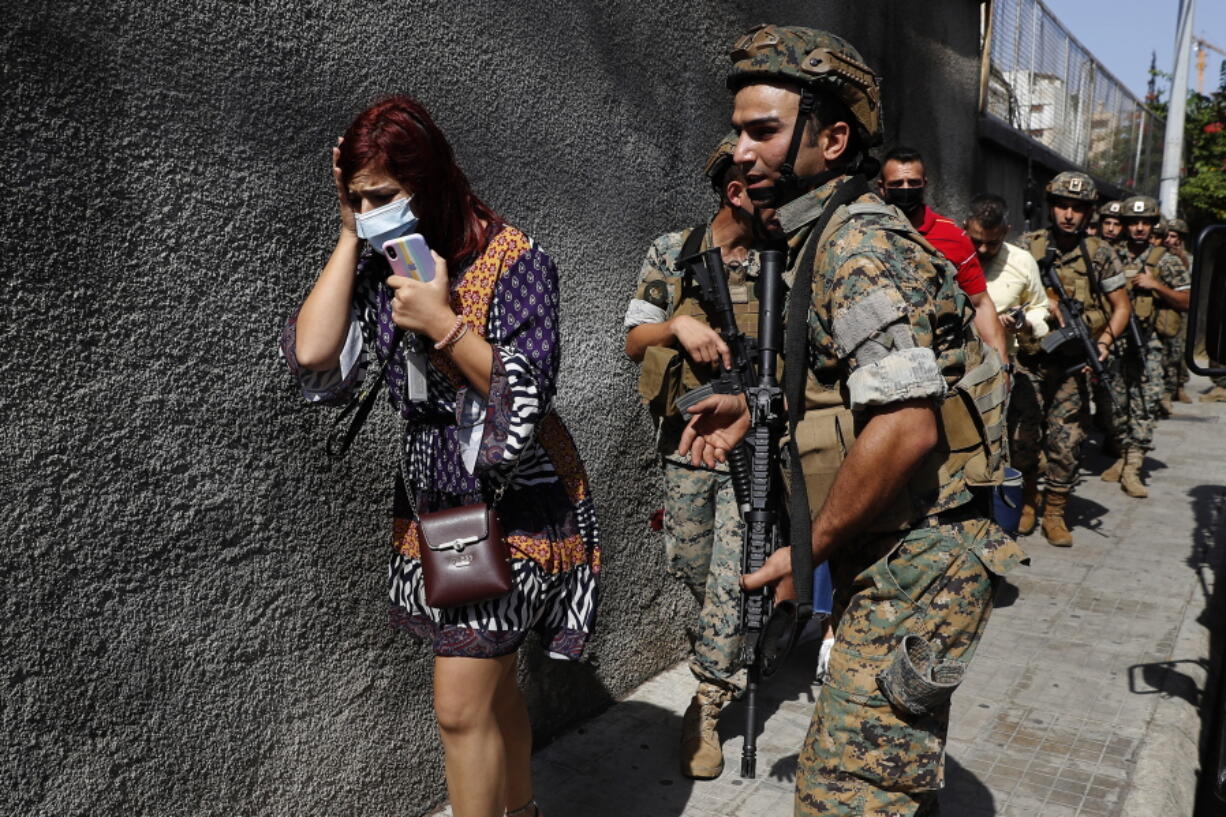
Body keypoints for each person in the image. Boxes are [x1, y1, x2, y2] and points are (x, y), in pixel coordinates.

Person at [682, 25, 1027, 816]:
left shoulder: (858, 245)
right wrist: (754, 402)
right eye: (737, 129)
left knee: (845, 795)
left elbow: (906, 427)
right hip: (897, 540)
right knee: (881, 779)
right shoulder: (818, 235)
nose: (739, 150)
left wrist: (807, 554)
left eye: (762, 130)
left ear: (832, 138)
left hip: (924, 552)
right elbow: (855, 382)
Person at [281, 95, 600, 817]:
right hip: (438, 505)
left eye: (385, 196)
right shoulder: (379, 262)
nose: (373, 211)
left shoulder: (516, 260)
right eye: (358, 198)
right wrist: (345, 234)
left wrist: (445, 324)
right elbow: (311, 353)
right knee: (493, 685)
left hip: (512, 498)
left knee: (460, 708)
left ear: (430, 181)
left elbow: (527, 395)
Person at [623, 133, 758, 780]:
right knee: (691, 558)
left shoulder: (785, 262)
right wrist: (676, 326)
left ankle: (706, 700)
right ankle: (737, 635)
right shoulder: (674, 252)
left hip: (754, 439)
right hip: (687, 437)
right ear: (735, 191)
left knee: (732, 571)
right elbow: (632, 339)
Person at [1017, 172, 1130, 545]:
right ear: (1050, 207)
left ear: (1089, 213)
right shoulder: (1027, 246)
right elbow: (1002, 292)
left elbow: (1121, 307)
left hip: (1072, 364)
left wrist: (1105, 342)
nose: (1069, 214)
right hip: (1031, 360)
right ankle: (1028, 500)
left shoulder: (1101, 254)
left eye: (1078, 208)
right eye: (1062, 205)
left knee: (1065, 442)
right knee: (1024, 437)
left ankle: (1055, 512)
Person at [964, 193, 1050, 534]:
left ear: (1007, 232)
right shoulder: (950, 255)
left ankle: (1026, 495)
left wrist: (1025, 321)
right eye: (976, 242)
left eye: (993, 243)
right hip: (964, 364)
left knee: (1022, 438)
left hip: (1011, 361)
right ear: (963, 229)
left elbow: (1040, 308)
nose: (983, 251)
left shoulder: (1022, 262)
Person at [878, 146, 1010, 368]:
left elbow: (980, 304)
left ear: (925, 184)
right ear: (882, 188)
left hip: (938, 362)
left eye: (913, 183)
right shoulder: (866, 232)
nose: (906, 189)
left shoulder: (952, 236)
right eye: (897, 184)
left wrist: (1002, 365)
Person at [1102, 195, 1190, 497]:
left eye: (1145, 223)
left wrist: (1157, 286)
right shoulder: (1109, 254)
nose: (1139, 228)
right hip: (1114, 341)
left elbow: (1187, 299)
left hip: (1147, 344)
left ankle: (1133, 467)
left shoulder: (1165, 259)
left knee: (1145, 402)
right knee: (1117, 402)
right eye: (1133, 222)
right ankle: (1121, 455)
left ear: (1153, 226)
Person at [1162, 218, 1193, 405]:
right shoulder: (1161, 256)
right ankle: (1167, 389)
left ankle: (1179, 386)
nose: (1169, 240)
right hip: (1166, 308)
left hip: (1183, 309)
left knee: (1179, 349)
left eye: (1173, 236)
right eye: (1167, 235)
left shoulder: (1187, 258)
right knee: (1167, 350)